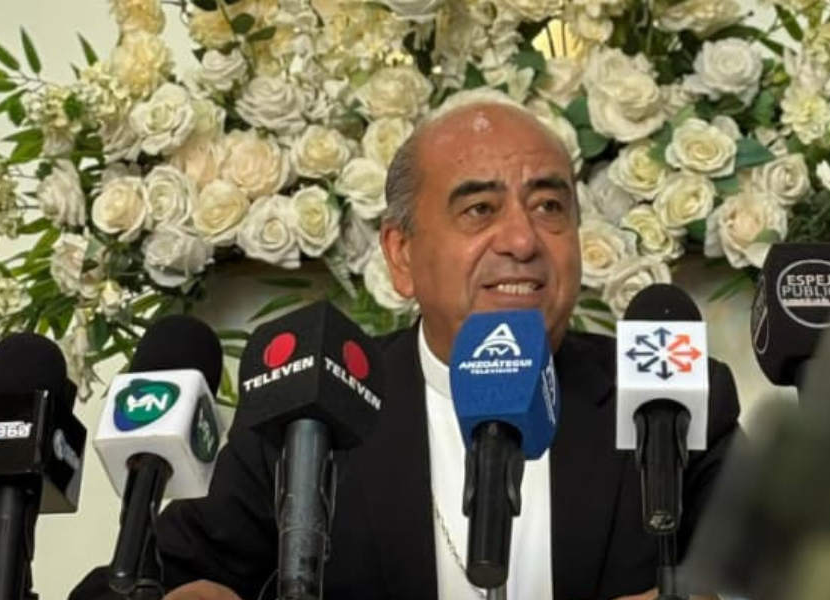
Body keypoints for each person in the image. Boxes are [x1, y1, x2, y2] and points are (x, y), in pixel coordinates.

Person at [70, 98, 742, 600]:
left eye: (549, 207)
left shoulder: (673, 404)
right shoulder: (312, 403)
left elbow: (775, 575)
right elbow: (159, 579)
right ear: (401, 256)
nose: (522, 240)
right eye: (479, 210)